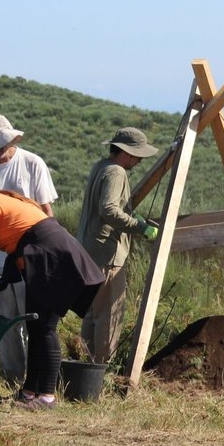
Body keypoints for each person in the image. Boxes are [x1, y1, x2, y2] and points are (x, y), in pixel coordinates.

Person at [0, 172, 105, 410]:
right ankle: (30, 392)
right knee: (36, 325)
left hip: (48, 256)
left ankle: (47, 397)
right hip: (44, 254)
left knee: (45, 328)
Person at [0, 114, 58, 387]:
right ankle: (12, 380)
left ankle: (36, 382)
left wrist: (52, 253)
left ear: (11, 140)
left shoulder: (32, 163)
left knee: (33, 319)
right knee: (6, 322)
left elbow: (45, 211)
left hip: (29, 256)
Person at [76, 127, 159, 364]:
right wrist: (140, 227)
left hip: (90, 251)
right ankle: (100, 369)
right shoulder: (116, 172)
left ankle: (84, 364)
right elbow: (109, 209)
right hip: (107, 255)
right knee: (108, 314)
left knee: (92, 313)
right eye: (138, 155)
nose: (140, 161)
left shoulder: (101, 166)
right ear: (126, 153)